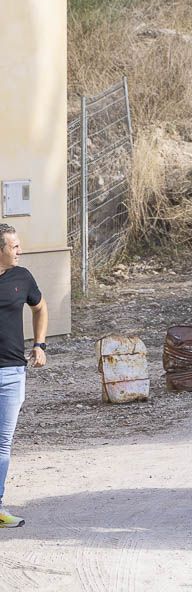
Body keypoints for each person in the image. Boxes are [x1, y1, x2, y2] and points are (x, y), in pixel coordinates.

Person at [0, 224, 47, 528]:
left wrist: (40, 344)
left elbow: (40, 308)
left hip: (13, 372)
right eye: (14, 246)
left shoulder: (23, 277)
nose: (19, 251)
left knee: (2, 442)